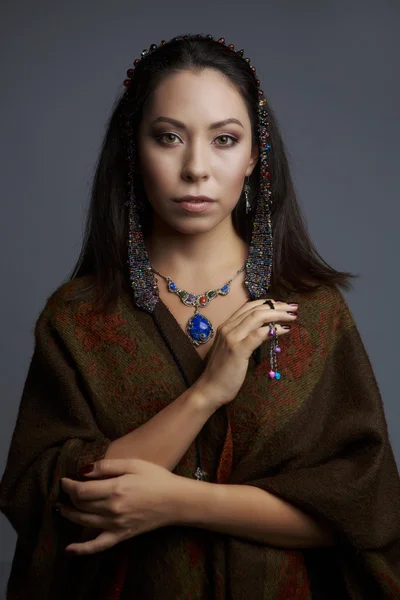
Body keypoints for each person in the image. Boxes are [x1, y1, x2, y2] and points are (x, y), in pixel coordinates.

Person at [0, 33, 399, 600]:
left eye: (224, 140)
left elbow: (363, 508)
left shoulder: (313, 311)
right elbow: (63, 499)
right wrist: (207, 392)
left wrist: (176, 502)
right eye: (168, 138)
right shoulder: (80, 318)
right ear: (133, 152)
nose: (196, 169)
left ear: (255, 154)